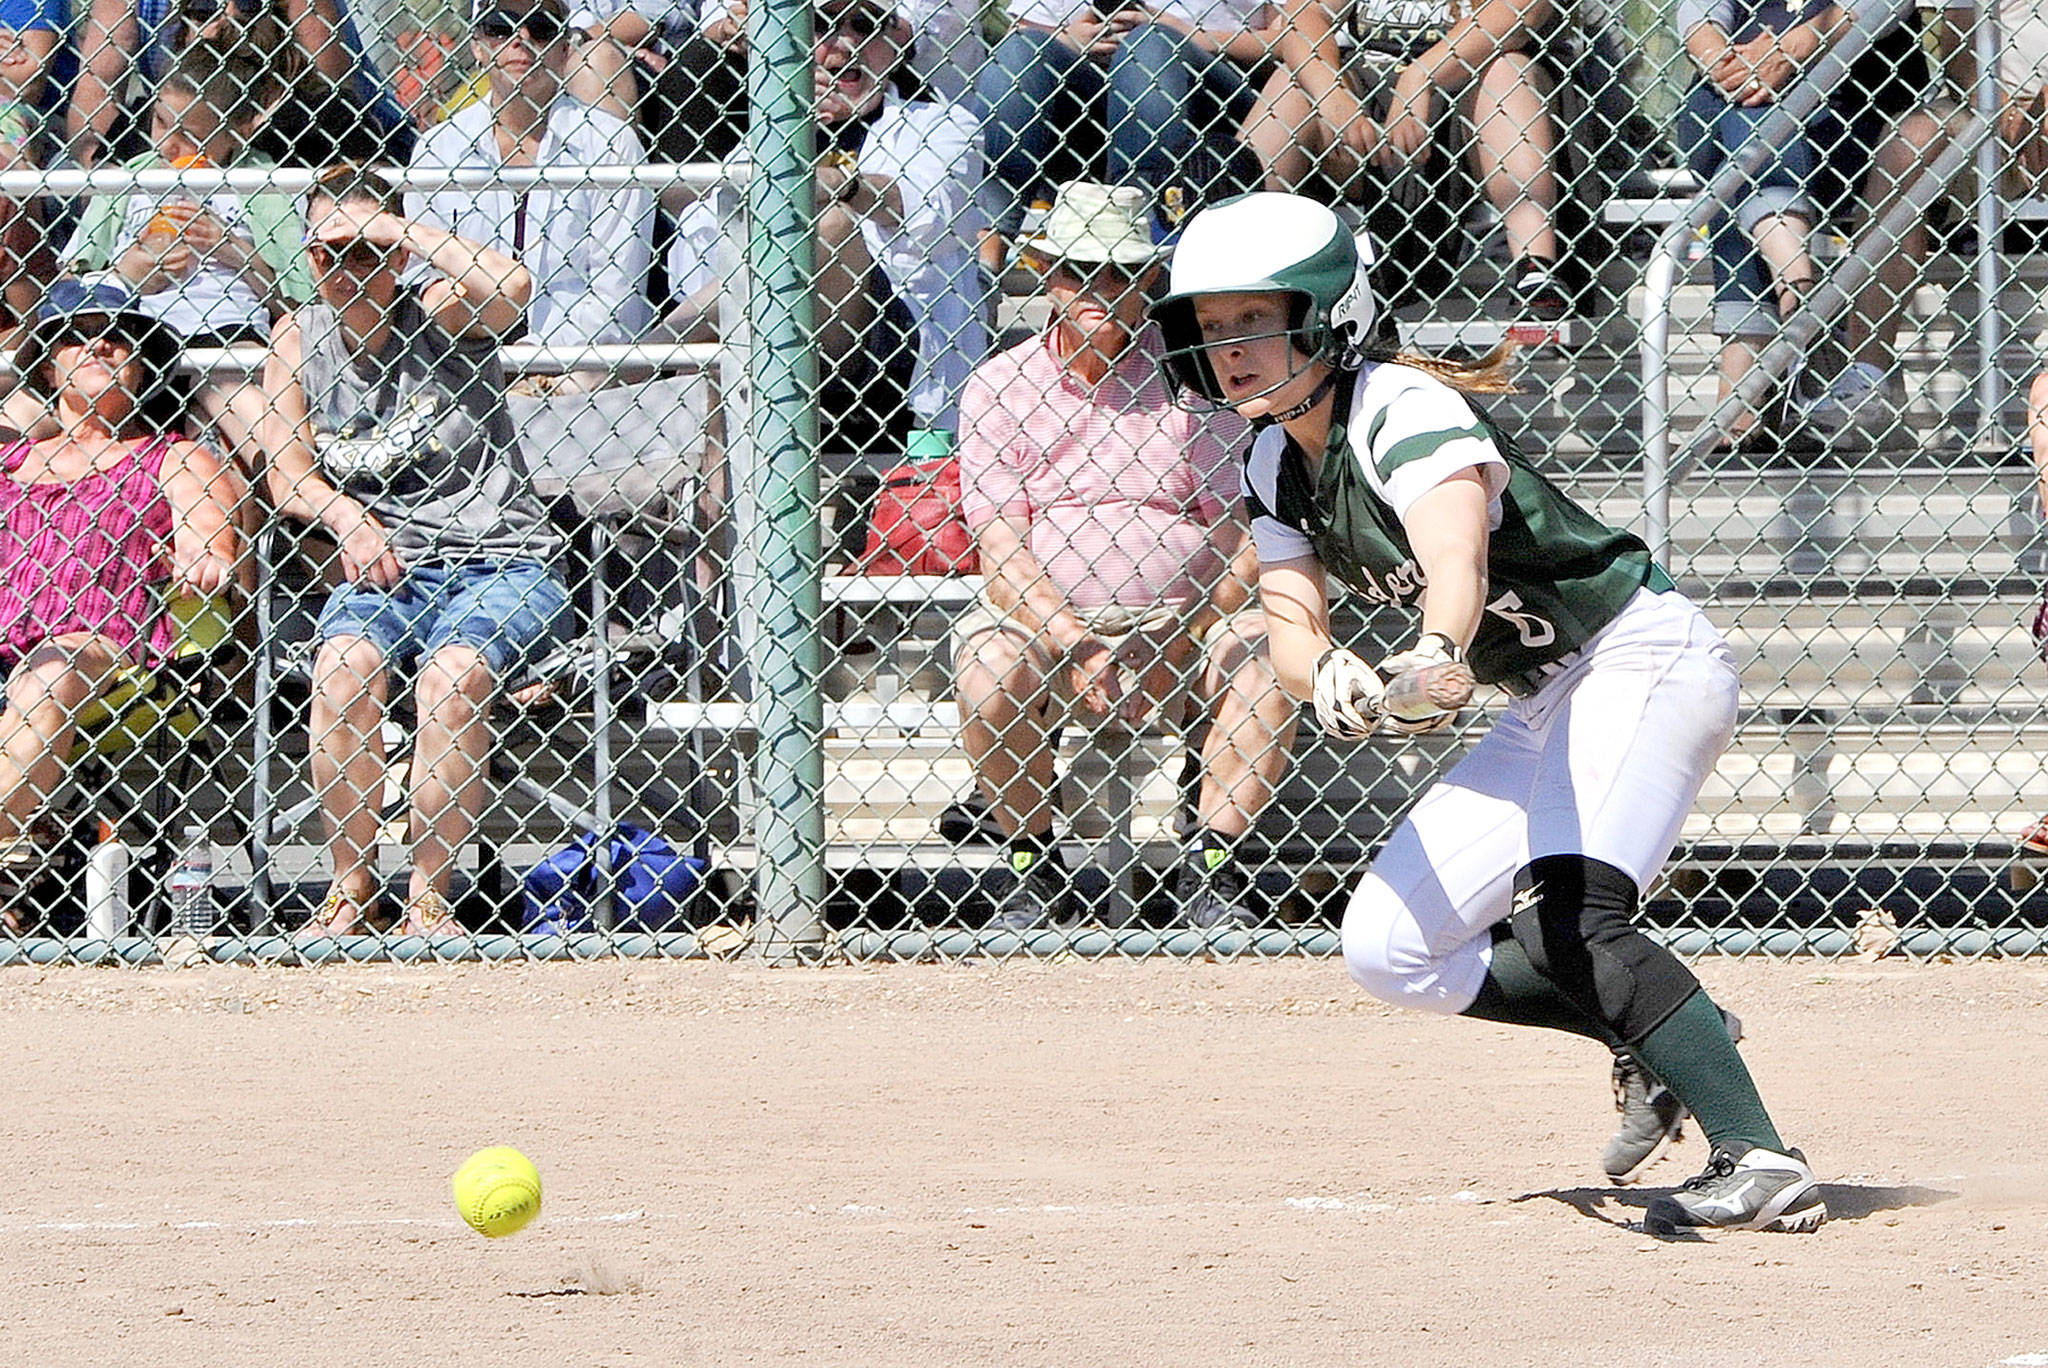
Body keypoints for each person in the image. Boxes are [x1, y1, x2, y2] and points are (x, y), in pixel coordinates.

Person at [1152, 190, 1824, 1233]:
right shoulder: (1269, 458)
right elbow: (1287, 625)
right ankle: (1649, 1028)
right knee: (1388, 947)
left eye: (1255, 318)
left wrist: (1429, 651)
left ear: (1330, 314)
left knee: (1570, 920)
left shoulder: (1402, 407)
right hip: (1547, 695)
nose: (1229, 347)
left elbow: (1452, 561)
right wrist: (1318, 668)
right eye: (1212, 326)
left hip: (1634, 657)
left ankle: (1759, 1155)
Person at [955, 180, 1296, 931]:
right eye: (1078, 269)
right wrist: (1075, 642)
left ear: (1148, 279)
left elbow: (1240, 535)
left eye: (1118, 270)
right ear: (1046, 273)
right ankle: (1032, 869)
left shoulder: (1194, 382)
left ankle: (1215, 867)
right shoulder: (999, 386)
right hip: (1048, 625)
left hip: (1193, 619)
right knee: (986, 666)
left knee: (1268, 655)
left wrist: (1182, 631)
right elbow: (1001, 548)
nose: (1099, 289)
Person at [251, 164, 571, 938]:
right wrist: (347, 517)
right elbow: (285, 469)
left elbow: (513, 286)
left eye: (365, 251)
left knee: (453, 674)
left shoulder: (441, 313)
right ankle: (350, 890)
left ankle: (429, 894)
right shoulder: (298, 336)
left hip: (503, 558)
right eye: (329, 252)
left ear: (395, 254)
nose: (345, 268)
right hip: (388, 564)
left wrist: (399, 232)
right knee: (342, 666)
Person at [0, 278, 240, 931]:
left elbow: (208, 541)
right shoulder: (10, 460)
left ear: (142, 363)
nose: (99, 345)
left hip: (100, 643)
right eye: (77, 335)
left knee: (46, 676)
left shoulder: (172, 456)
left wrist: (203, 561)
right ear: (48, 361)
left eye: (119, 337)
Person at [659, 0, 987, 448]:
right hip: (758, 342)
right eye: (824, 24)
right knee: (728, 352)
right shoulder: (770, 134)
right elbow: (703, 239)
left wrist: (835, 183)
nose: (846, 41)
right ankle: (707, 509)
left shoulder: (945, 124)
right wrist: (796, 134)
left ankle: (639, 360)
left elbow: (929, 212)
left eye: (865, 24)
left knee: (832, 225)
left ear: (895, 42)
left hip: (885, 355)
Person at [1242, 0, 1607, 320]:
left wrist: (1421, 77)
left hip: (1477, 105)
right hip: (1375, 101)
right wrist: (1331, 95)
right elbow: (1304, 16)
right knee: (1290, 85)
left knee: (1507, 72)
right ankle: (1239, 260)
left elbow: (1520, 10)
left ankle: (1535, 267)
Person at [1675, 0, 1928, 452]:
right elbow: (1698, 12)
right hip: (1739, 99)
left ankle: (1743, 383)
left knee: (1742, 142)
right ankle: (1800, 296)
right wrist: (1723, 60)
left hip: (1850, 110)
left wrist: (1797, 45)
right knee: (1743, 116)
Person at [409, 0, 655, 381]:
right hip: (460, 362)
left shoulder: (611, 146)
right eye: (500, 27)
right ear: (477, 46)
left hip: (576, 367)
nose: (520, 40)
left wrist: (531, 360)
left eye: (539, 27)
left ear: (563, 49)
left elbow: (617, 300)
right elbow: (421, 278)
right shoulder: (438, 149)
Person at [973, 0, 1281, 265]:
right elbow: (1023, 31)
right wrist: (1071, 38)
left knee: (1149, 45)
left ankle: (1148, 242)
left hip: (1217, 104)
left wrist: (1181, 32)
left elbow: (1290, 38)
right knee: (1020, 50)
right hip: (1091, 106)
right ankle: (985, 259)